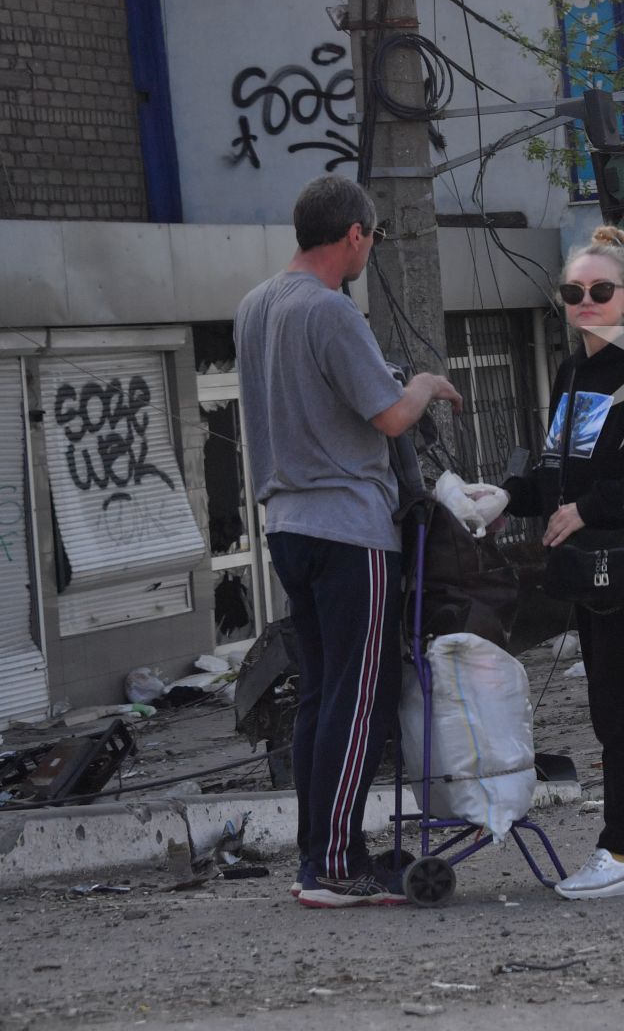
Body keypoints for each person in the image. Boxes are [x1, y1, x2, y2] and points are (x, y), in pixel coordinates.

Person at [235, 176, 463, 907]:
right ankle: (338, 866)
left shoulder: (255, 304)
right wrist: (426, 384)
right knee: (360, 698)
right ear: (355, 236)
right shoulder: (331, 312)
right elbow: (391, 417)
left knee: (321, 698)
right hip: (349, 532)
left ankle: (320, 854)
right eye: (371, 238)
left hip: (286, 527)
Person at [505, 225, 624, 900]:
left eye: (599, 290)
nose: (584, 300)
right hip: (594, 557)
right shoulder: (575, 371)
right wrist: (504, 495)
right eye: (573, 291)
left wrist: (593, 509)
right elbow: (563, 470)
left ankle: (622, 853)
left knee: (617, 699)